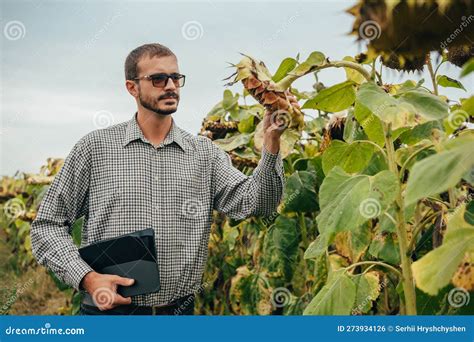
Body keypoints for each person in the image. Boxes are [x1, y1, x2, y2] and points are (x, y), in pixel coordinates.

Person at [30, 43, 296, 315]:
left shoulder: (204, 154)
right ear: (132, 87)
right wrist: (87, 277)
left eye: (175, 78)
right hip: (110, 316)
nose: (170, 85)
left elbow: (258, 203)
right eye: (158, 79)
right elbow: (47, 226)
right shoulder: (95, 148)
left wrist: (272, 139)